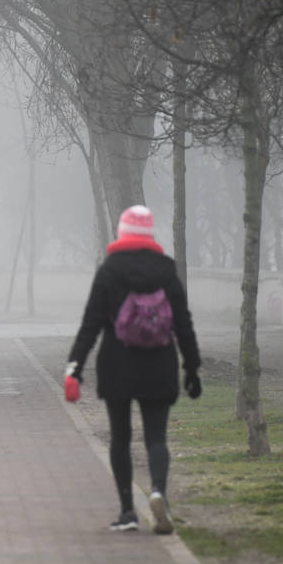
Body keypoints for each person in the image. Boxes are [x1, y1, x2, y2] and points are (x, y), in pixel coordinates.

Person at [65, 204, 201, 534]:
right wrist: (192, 366)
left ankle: (128, 511)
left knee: (120, 437)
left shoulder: (110, 269)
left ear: (122, 232)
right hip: (159, 363)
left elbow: (91, 323)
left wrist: (75, 367)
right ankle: (157, 492)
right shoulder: (166, 270)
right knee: (156, 437)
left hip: (117, 363)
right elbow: (183, 321)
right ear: (150, 234)